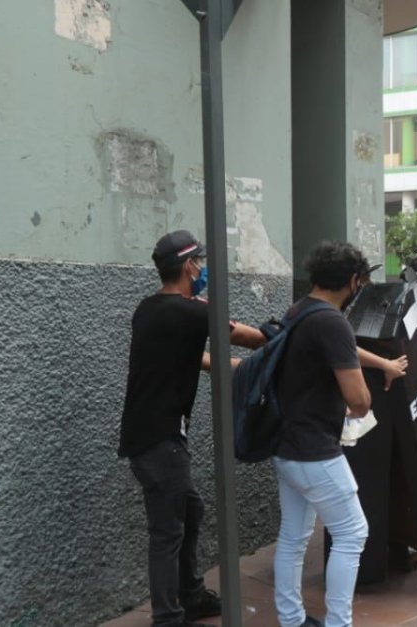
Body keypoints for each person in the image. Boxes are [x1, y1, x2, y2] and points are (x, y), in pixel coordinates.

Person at [118, 230, 267, 627]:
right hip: (159, 441)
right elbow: (251, 339)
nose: (201, 269)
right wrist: (282, 337)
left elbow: (191, 356)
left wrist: (236, 370)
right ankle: (168, 616)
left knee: (191, 510)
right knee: (167, 532)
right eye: (198, 263)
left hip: (149, 438)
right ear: (188, 266)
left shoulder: (149, 309)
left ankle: (191, 595)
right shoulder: (192, 312)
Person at [271, 241, 377, 627]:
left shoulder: (297, 311)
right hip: (314, 450)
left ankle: (292, 619)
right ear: (352, 280)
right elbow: (358, 399)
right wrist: (361, 398)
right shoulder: (333, 322)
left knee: (294, 536)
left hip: (286, 445)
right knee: (352, 533)